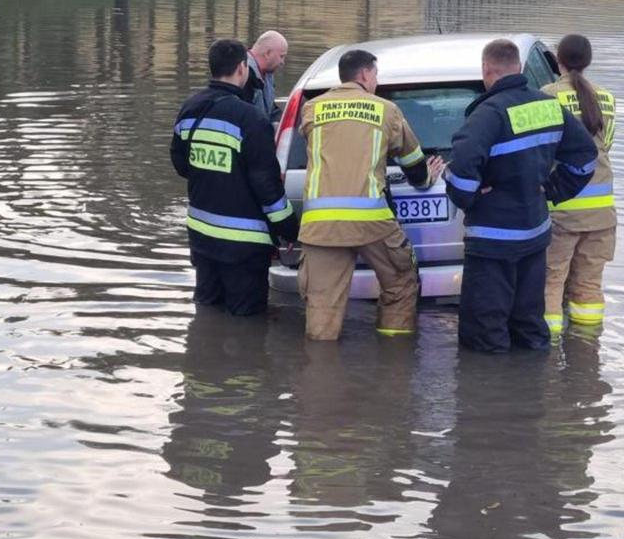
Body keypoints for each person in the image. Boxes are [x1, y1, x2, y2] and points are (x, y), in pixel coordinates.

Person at [444, 39, 598, 353]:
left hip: (491, 242)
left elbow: (460, 174)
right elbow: (585, 157)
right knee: (529, 326)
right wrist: (552, 190)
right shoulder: (547, 106)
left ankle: (491, 396)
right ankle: (534, 392)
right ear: (520, 68)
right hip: (534, 236)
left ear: (487, 70)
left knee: (485, 335)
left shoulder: (487, 115)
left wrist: (473, 198)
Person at [298, 49, 445, 341]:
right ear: (365, 74)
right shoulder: (386, 110)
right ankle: (393, 357)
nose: (376, 81)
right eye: (375, 75)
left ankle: (319, 376)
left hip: (319, 225)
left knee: (322, 304)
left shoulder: (311, 108)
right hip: (371, 221)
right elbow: (413, 162)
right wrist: (427, 176)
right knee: (401, 281)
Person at [170, 38, 299, 316]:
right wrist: (291, 229)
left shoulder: (190, 108)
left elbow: (181, 164)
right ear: (242, 68)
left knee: (207, 310)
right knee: (246, 323)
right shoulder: (251, 119)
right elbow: (268, 189)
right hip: (244, 245)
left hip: (201, 236)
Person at [542, 34, 617, 335]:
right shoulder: (607, 98)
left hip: (562, 208)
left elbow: (541, 149)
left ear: (558, 60)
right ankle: (587, 353)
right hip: (602, 211)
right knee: (588, 287)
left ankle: (547, 353)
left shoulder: (547, 95)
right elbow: (607, 146)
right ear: (588, 62)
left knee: (551, 280)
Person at [243, 30, 288, 123]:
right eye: (281, 56)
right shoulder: (243, 75)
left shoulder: (268, 74)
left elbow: (271, 110)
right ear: (267, 54)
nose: (282, 62)